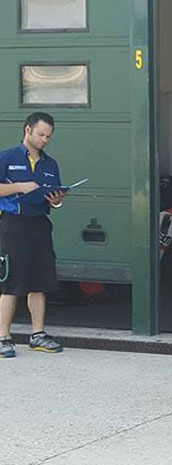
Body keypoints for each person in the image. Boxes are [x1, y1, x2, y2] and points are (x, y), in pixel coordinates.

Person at [0, 112, 66, 358]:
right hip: (13, 224)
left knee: (40, 281)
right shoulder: (7, 157)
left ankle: (38, 335)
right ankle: (3, 337)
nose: (45, 140)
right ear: (27, 130)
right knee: (11, 283)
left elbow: (54, 197)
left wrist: (57, 201)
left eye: (48, 136)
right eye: (41, 134)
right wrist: (18, 186)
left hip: (40, 224)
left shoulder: (50, 164)